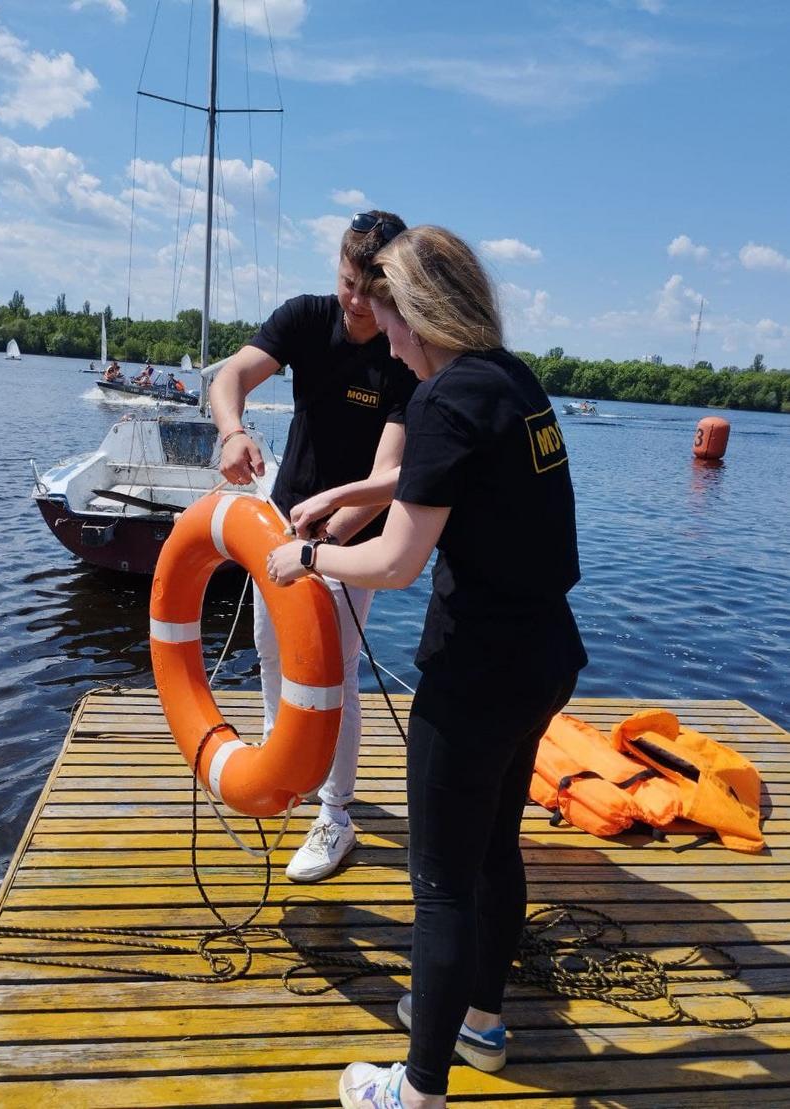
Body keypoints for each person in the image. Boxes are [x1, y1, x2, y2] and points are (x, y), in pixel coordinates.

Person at [266, 226, 588, 1108]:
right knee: (492, 853)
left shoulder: (444, 398)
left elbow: (397, 562)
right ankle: (480, 1019)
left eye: (385, 308)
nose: (378, 329)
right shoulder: (510, 380)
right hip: (545, 654)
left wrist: (312, 561)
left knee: (441, 880)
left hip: (476, 670)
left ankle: (417, 1089)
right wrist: (347, 495)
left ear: (419, 311)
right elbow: (444, 485)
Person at [210, 210, 417, 883]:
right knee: (273, 652)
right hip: (283, 517)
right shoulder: (304, 317)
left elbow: (387, 480)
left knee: (335, 671)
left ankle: (335, 814)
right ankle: (285, 772)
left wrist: (321, 548)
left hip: (349, 538)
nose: (356, 301)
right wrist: (232, 432)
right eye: (347, 281)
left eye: (370, 287)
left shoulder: (401, 350)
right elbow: (230, 375)